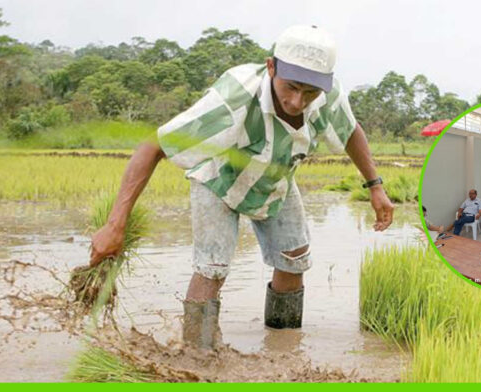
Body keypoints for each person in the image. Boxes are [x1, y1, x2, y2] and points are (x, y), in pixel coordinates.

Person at [88, 25, 394, 349]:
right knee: (212, 268)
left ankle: (283, 348)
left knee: (293, 261)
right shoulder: (232, 99)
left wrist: (375, 186)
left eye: (310, 93)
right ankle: (198, 354)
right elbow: (154, 147)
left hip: (276, 180)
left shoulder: (328, 96)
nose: (296, 101)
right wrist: (115, 223)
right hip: (219, 181)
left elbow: (350, 131)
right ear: (271, 67)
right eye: (290, 87)